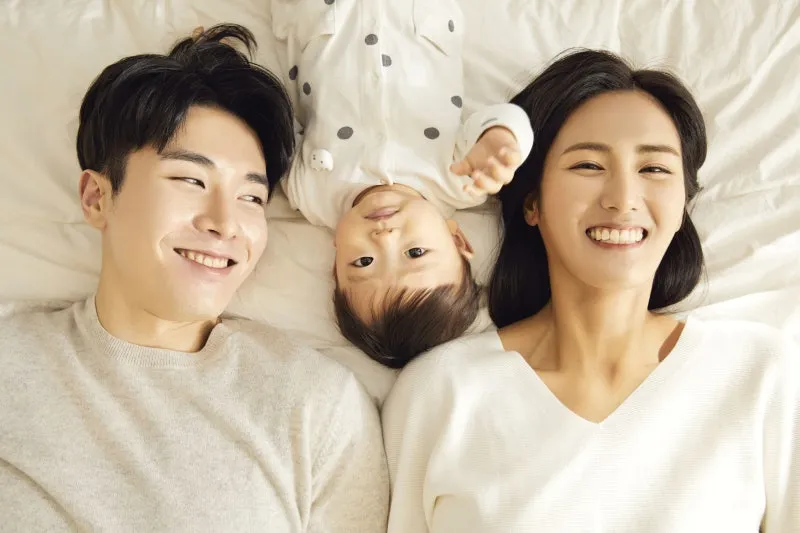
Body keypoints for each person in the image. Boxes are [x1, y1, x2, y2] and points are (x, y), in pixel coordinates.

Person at [381, 49, 798, 532]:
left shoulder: (761, 375)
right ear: (532, 202)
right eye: (588, 165)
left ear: (683, 203)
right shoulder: (439, 392)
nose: (623, 199)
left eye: (654, 169)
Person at [0, 24, 389, 531]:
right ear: (97, 198)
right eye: (191, 179)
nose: (225, 223)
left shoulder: (317, 406)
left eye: (251, 197)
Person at [272, 0, 534, 368]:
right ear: (457, 239)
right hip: (415, 17)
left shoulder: (311, 195)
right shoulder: (462, 178)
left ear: (336, 263)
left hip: (326, 16)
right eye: (415, 253)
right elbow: (509, 117)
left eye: (363, 262)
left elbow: (272, 127)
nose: (385, 237)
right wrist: (501, 139)